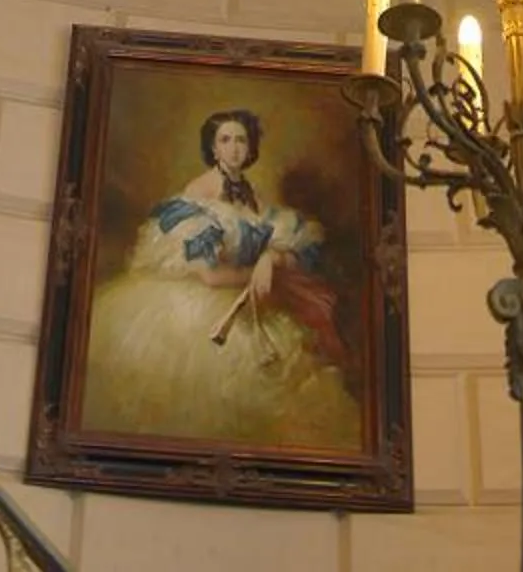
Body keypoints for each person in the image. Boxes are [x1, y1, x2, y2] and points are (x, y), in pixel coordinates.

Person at [80, 107, 360, 451]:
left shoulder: (253, 193)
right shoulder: (200, 192)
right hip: (203, 304)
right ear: (213, 149)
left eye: (241, 140)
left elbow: (282, 240)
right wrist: (254, 272)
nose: (234, 148)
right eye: (225, 140)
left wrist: (270, 259)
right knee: (217, 386)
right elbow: (208, 275)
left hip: (248, 298)